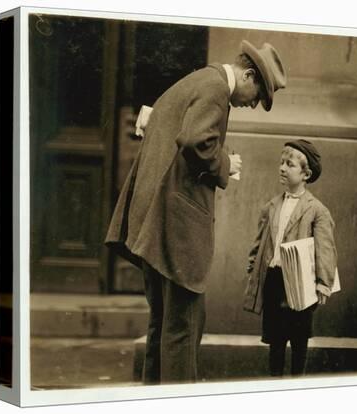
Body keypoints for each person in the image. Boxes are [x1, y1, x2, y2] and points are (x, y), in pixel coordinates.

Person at [105, 40, 287, 384]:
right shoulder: (216, 89)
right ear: (248, 75)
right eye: (257, 95)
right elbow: (194, 140)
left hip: (152, 224)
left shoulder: (199, 79)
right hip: (175, 231)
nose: (252, 105)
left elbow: (168, 127)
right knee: (183, 329)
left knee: (162, 325)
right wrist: (224, 164)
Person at [243, 139, 338, 377]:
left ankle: (297, 386)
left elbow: (325, 249)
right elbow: (260, 242)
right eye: (281, 162)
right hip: (274, 281)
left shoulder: (316, 210)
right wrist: (254, 266)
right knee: (275, 341)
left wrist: (323, 283)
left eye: (290, 164)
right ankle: (275, 384)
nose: (282, 168)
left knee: (298, 341)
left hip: (300, 283)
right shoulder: (271, 206)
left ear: (306, 174)